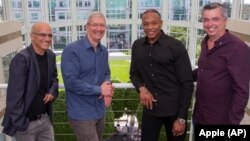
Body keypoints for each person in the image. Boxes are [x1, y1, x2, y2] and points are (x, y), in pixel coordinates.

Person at [129, 9, 194, 141]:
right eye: (146, 24)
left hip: (174, 111)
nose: (150, 27)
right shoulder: (137, 46)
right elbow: (134, 73)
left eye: (154, 23)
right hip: (150, 109)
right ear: (142, 25)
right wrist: (141, 88)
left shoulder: (176, 46)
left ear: (161, 23)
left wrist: (181, 118)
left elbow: (187, 83)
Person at [192, 2, 250, 125]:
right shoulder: (205, 42)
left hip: (219, 120)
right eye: (206, 20)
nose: (210, 24)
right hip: (199, 115)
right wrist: (178, 74)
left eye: (215, 19)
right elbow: (204, 70)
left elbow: (242, 91)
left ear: (225, 20)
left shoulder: (238, 48)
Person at [61, 11, 114, 141]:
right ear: (87, 27)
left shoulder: (104, 51)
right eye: (95, 25)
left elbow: (106, 72)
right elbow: (70, 82)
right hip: (82, 113)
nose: (99, 29)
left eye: (102, 25)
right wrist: (100, 90)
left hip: (100, 110)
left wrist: (107, 84)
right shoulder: (71, 50)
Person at [1, 22, 58, 141]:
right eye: (42, 35)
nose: (47, 39)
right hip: (26, 125)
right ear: (32, 36)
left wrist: (52, 91)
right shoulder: (22, 59)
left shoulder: (50, 56)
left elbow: (54, 78)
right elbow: (13, 98)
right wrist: (22, 124)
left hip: (45, 120)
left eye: (49, 35)